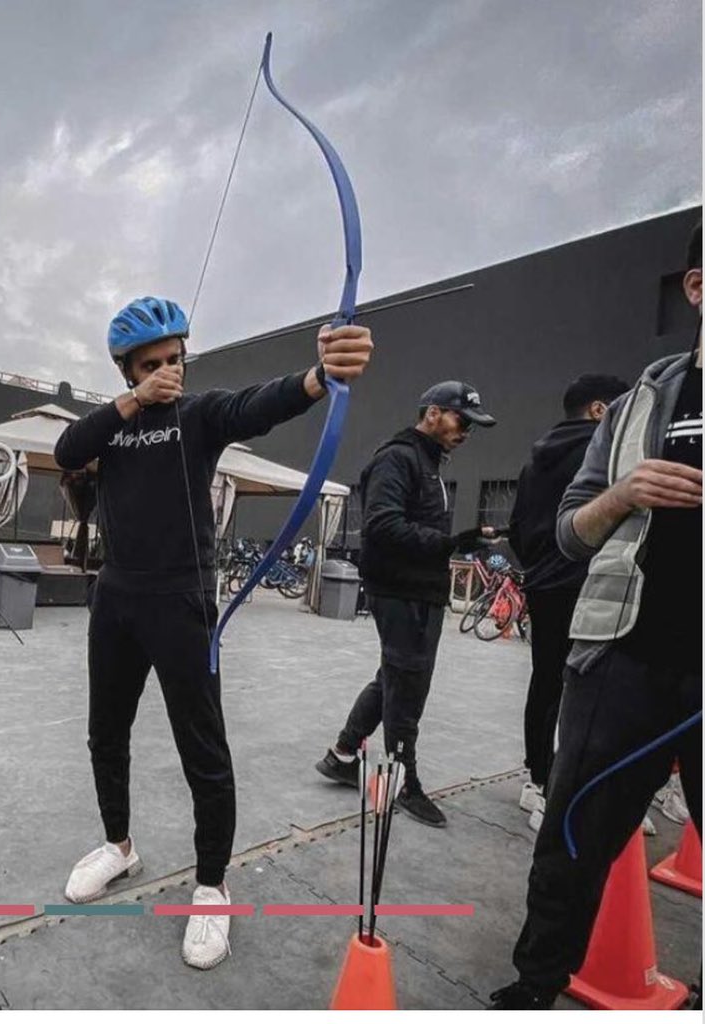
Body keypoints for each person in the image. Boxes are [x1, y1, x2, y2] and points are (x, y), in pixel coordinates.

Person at [54, 296, 372, 970]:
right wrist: (133, 403)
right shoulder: (113, 425)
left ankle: (211, 885)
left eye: (175, 359)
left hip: (180, 602)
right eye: (151, 365)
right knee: (105, 731)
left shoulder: (200, 416)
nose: (167, 372)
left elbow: (259, 404)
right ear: (127, 371)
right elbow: (66, 450)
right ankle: (118, 847)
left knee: (203, 749)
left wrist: (320, 376)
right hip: (116, 598)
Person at [490, 222, 702, 1010]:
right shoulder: (638, 403)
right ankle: (535, 984)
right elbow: (568, 534)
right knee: (572, 835)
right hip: (620, 659)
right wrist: (625, 492)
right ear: (696, 287)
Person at [315, 381, 496, 827]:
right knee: (407, 687)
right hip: (401, 591)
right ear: (432, 413)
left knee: (393, 678)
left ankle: (342, 754)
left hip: (418, 590)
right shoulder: (399, 458)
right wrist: (449, 543)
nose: (466, 432)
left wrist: (457, 543)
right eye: (461, 421)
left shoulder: (427, 462)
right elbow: (382, 525)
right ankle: (403, 783)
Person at [508, 373, 629, 830]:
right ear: (599, 410)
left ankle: (536, 781)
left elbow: (517, 529)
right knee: (591, 688)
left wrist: (540, 567)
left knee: (546, 680)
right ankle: (570, 792)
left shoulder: (534, 460)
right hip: (588, 581)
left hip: (544, 585)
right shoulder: (604, 456)